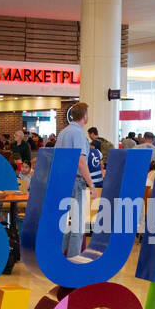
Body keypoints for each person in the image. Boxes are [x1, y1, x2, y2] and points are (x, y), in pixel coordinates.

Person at [56, 103, 95, 257]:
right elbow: (81, 161)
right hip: (76, 181)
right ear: (84, 116)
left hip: (63, 180)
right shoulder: (78, 134)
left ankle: (60, 258)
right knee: (78, 225)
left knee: (66, 224)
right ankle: (73, 262)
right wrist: (91, 185)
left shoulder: (63, 132)